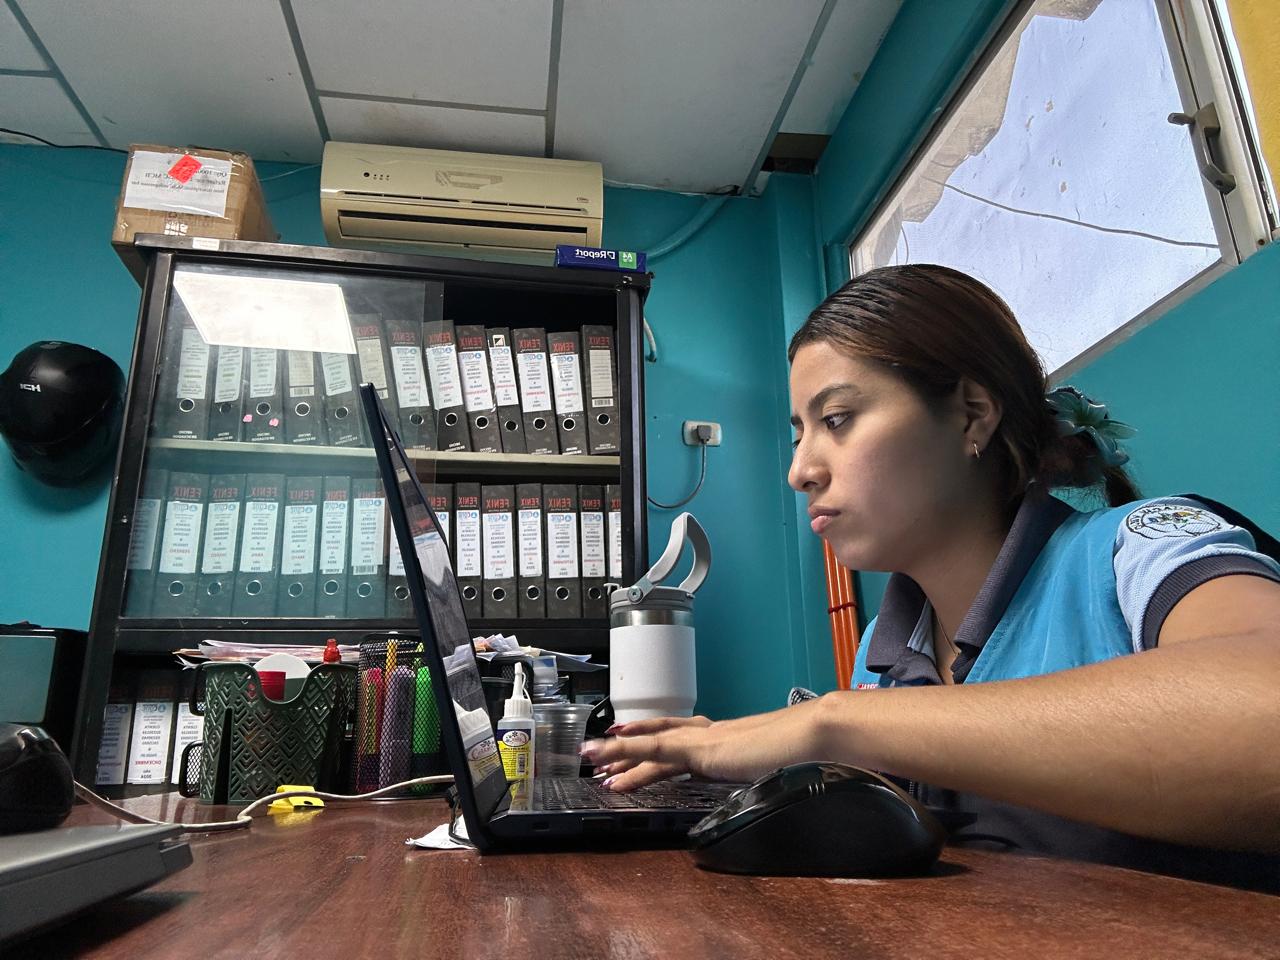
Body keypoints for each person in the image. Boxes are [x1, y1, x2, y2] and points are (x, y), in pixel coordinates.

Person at [581, 264, 1280, 884]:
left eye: (838, 419)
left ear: (972, 414)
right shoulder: (884, 657)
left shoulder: (1138, 548)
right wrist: (747, 760)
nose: (800, 470)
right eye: (799, 433)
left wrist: (834, 722)